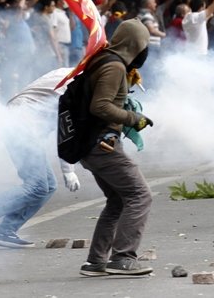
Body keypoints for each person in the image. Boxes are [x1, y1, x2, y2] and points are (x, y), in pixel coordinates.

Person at [0, 68, 81, 248]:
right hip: (23, 125)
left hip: (23, 123)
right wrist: (68, 170)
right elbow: (66, 128)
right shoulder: (79, 83)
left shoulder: (72, 73)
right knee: (37, 186)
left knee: (47, 186)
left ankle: (6, 231)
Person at [78, 18, 155, 277]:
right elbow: (100, 106)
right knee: (139, 195)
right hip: (102, 143)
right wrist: (134, 119)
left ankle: (95, 261)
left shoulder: (109, 61)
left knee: (117, 200)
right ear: (135, 45)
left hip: (94, 144)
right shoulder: (113, 67)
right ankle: (123, 258)